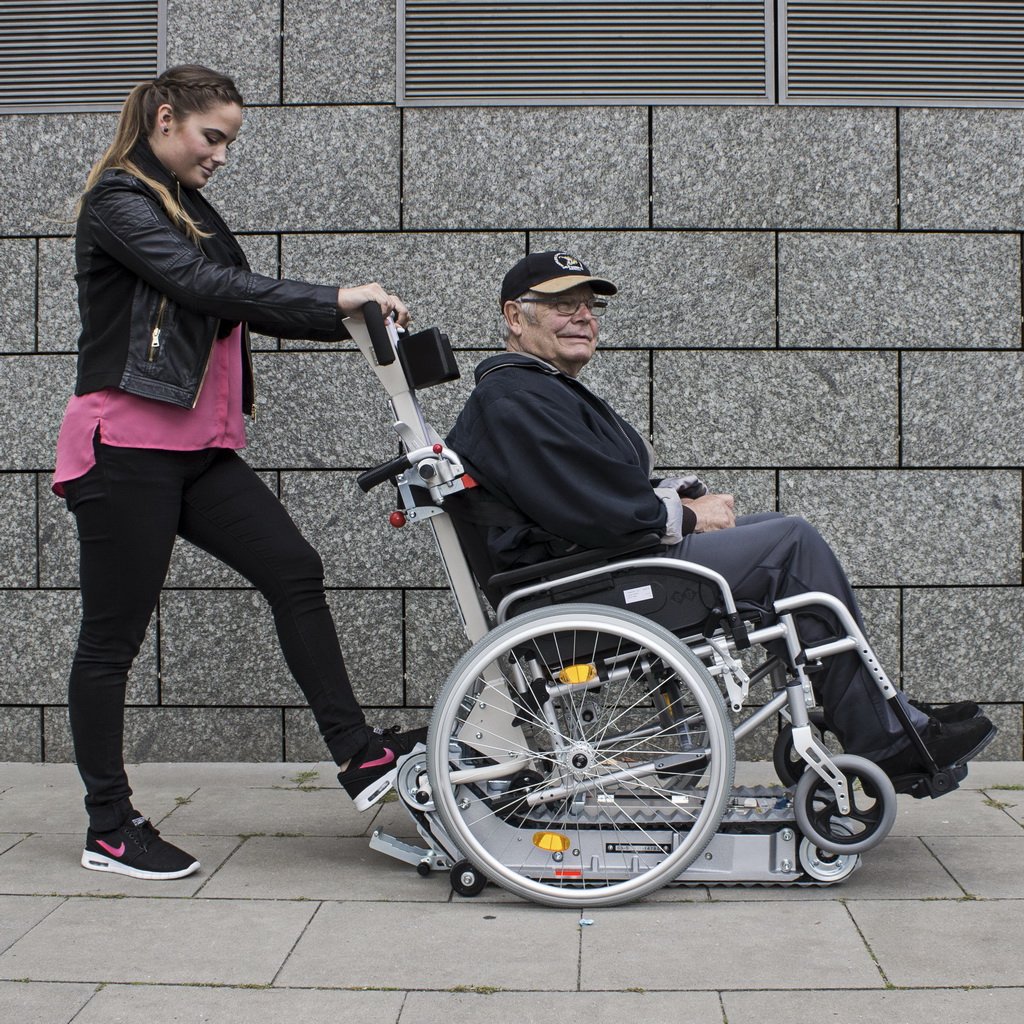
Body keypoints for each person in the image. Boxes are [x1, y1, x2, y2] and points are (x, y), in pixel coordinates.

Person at [55, 65, 424, 882]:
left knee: (293, 567)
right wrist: (337, 296)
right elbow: (202, 284)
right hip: (127, 449)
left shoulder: (186, 204)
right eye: (211, 136)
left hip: (199, 452)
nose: (221, 154)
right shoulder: (121, 202)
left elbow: (238, 300)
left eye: (230, 141)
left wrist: (351, 317)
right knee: (112, 640)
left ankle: (359, 756)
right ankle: (109, 826)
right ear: (162, 118)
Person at [446, 251, 996, 782]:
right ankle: (885, 734)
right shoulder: (512, 398)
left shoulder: (533, 390)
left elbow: (588, 487)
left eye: (590, 304)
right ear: (516, 317)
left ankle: (877, 710)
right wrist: (685, 516)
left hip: (593, 569)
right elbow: (587, 505)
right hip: (578, 589)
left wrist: (670, 492)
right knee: (789, 544)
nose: (584, 316)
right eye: (565, 304)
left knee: (777, 532)